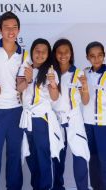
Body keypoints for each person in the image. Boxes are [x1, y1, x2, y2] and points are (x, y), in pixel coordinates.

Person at [0, 11, 29, 190]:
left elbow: (20, 86)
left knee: (14, 156)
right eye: (7, 27)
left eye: (15, 27)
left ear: (19, 30)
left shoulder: (24, 54)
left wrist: (29, 79)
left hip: (16, 111)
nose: (11, 31)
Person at [18, 38, 64, 190]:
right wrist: (29, 79)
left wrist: (52, 84)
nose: (40, 54)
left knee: (44, 157)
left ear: (48, 54)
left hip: (42, 120)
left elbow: (55, 97)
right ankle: (36, 186)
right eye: (37, 51)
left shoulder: (51, 71)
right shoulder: (25, 67)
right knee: (31, 157)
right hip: (27, 119)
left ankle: (46, 187)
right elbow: (19, 88)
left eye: (44, 51)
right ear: (32, 51)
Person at [51, 38, 90, 190]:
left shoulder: (78, 73)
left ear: (71, 53)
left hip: (74, 119)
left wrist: (85, 87)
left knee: (80, 156)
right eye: (59, 52)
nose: (63, 55)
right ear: (55, 54)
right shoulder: (50, 72)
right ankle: (57, 187)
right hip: (56, 119)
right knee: (57, 157)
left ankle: (82, 187)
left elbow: (85, 101)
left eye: (66, 52)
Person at [83, 41, 106, 190]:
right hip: (88, 123)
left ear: (104, 56)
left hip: (104, 124)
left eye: (99, 55)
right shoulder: (84, 73)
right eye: (92, 56)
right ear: (87, 57)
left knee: (104, 159)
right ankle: (96, 187)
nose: (96, 59)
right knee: (92, 158)